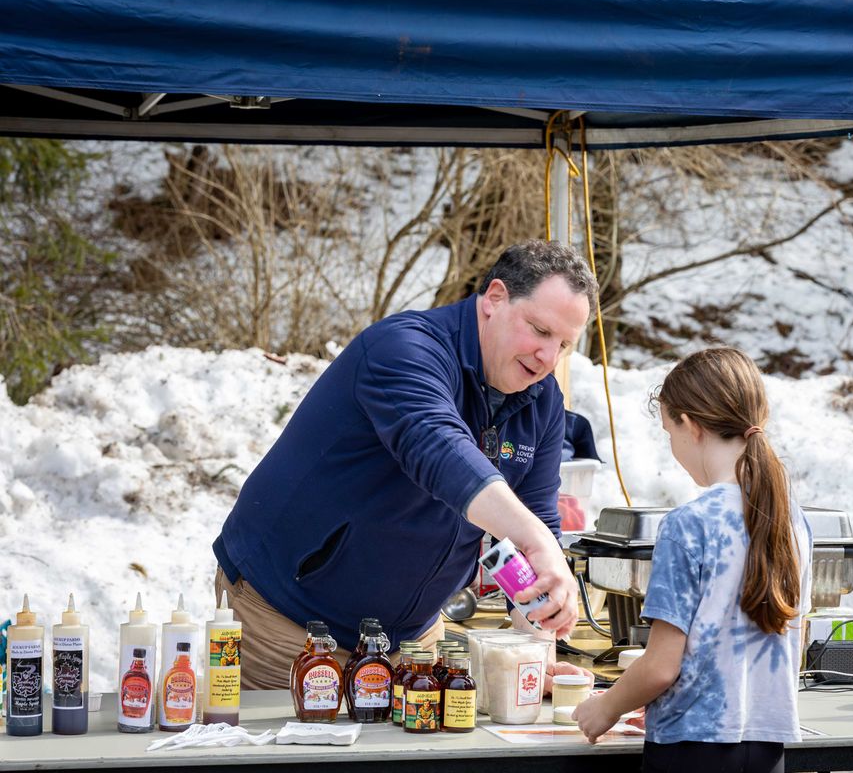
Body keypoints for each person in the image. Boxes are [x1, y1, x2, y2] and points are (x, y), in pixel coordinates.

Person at [212, 241, 598, 689]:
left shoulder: (543, 399)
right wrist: (536, 538)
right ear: (495, 298)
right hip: (288, 620)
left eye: (564, 345)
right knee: (296, 758)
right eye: (540, 330)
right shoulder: (404, 348)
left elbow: (537, 522)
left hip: (412, 639)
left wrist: (537, 648)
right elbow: (438, 448)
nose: (548, 358)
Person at [573, 348, 813, 773]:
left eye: (669, 432)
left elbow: (662, 666)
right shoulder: (792, 518)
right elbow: (793, 645)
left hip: (690, 750)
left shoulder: (688, 524)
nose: (673, 448)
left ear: (691, 425)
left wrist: (605, 707)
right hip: (767, 746)